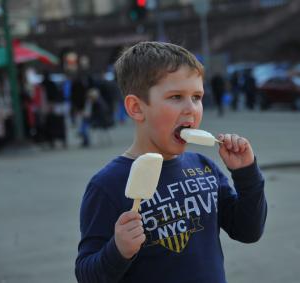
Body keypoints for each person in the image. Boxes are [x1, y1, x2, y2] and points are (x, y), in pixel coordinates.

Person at [75, 41, 267, 283]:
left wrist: (246, 174)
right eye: (176, 97)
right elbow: (86, 275)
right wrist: (118, 250)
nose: (191, 109)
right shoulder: (107, 186)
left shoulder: (203, 167)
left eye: (197, 97)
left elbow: (248, 230)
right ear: (136, 108)